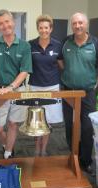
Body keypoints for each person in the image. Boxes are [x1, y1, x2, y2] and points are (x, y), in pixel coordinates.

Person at [61, 12, 98, 175]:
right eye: (74, 23)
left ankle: (86, 160)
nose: (77, 26)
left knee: (87, 127)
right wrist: (67, 72)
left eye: (80, 23)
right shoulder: (66, 41)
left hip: (87, 93)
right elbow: (59, 59)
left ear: (86, 25)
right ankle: (74, 154)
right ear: (72, 26)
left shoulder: (95, 44)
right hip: (67, 92)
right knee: (69, 126)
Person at [0, 9, 32, 159]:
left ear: (13, 22)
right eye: (1, 24)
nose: (5, 26)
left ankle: (8, 152)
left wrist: (11, 87)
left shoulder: (24, 46)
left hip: (18, 91)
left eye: (7, 21)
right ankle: (6, 143)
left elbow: (24, 71)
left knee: (13, 124)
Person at [28, 14, 63, 157]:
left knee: (48, 121)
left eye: (46, 28)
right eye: (41, 28)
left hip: (52, 87)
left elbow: (62, 65)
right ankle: (37, 148)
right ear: (38, 29)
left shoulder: (57, 45)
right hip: (35, 87)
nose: (44, 30)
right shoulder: (30, 45)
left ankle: (43, 149)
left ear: (51, 28)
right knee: (36, 121)